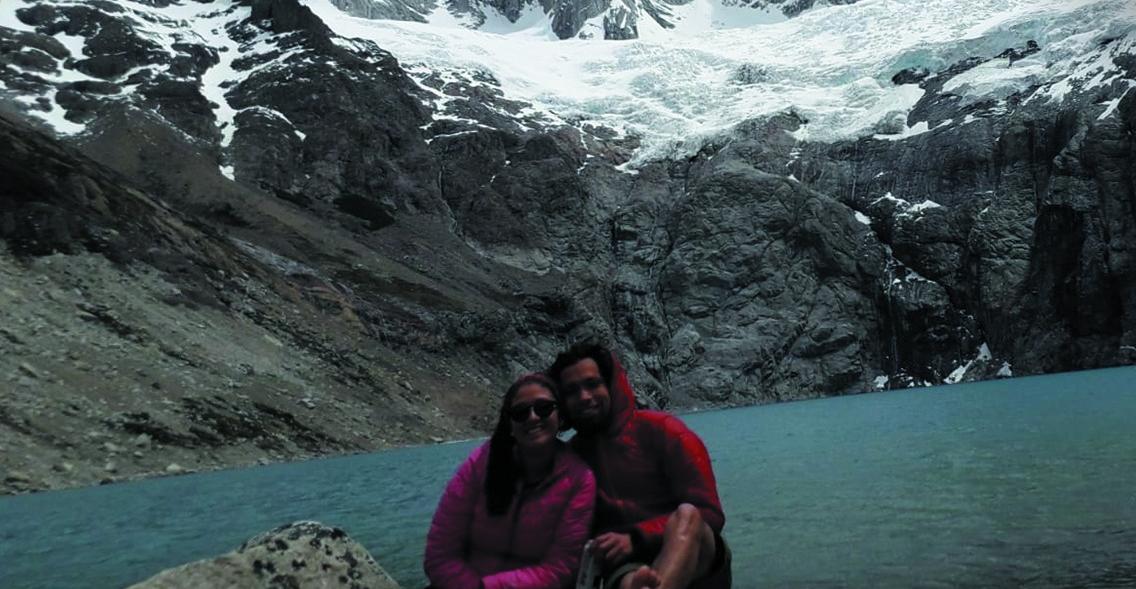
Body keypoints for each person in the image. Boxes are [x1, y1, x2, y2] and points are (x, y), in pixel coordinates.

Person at [548, 343, 730, 589]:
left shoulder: (665, 431)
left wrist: (637, 537)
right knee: (631, 583)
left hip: (695, 553)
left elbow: (711, 514)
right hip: (626, 564)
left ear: (610, 384)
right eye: (571, 391)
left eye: (592, 384)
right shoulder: (571, 461)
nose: (584, 397)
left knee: (688, 515)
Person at [424, 372, 596, 589]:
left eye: (544, 408)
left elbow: (561, 567)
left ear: (560, 417)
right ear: (510, 426)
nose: (533, 417)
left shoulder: (579, 479)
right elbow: (440, 551)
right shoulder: (481, 462)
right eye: (520, 413)